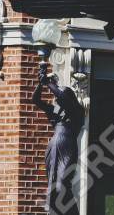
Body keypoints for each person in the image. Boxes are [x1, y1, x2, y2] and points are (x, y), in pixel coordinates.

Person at [32, 67, 85, 215]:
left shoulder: (77, 110)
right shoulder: (56, 112)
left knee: (62, 184)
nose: (56, 100)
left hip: (67, 145)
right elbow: (35, 100)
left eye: (58, 97)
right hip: (54, 146)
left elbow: (63, 97)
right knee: (53, 186)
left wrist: (49, 83)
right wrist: (40, 84)